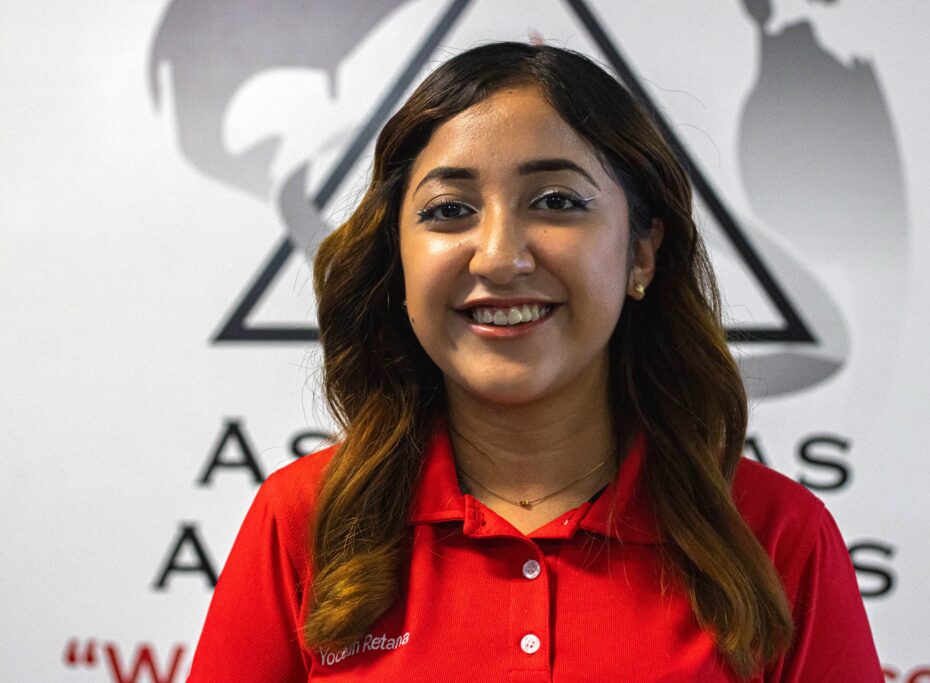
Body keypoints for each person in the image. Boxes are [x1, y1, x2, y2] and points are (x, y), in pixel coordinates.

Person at [189, 42, 882, 682]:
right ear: (397, 258)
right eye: (449, 210)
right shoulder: (304, 521)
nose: (498, 257)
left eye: (556, 202)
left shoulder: (776, 535)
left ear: (642, 253)